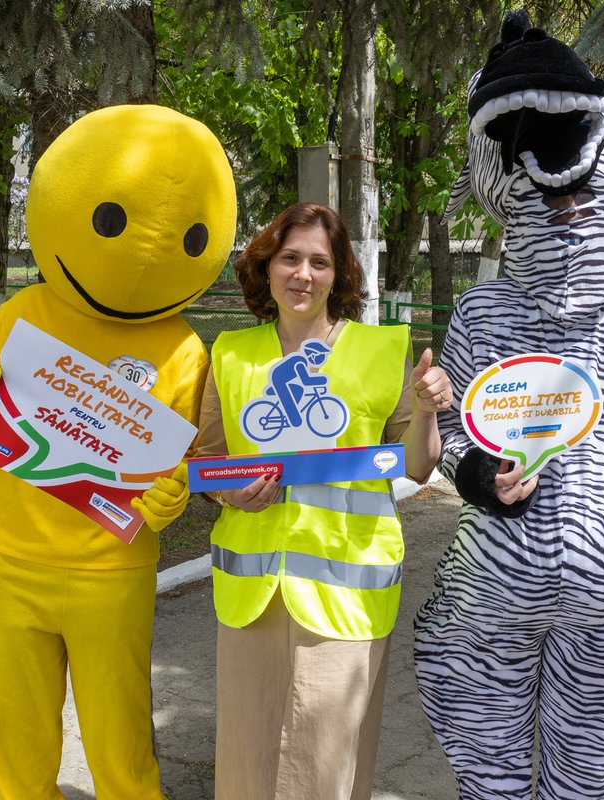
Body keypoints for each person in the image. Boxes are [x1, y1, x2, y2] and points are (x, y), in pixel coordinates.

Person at [413, 12, 604, 800]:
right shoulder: (483, 315)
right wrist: (476, 474)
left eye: (582, 195)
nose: (564, 208)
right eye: (541, 199)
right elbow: (450, 430)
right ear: (504, 195)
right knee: (489, 771)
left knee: (589, 779)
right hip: (492, 595)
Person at [0, 105, 237, 799]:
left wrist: (174, 494)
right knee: (15, 727)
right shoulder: (25, 313)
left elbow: (179, 459)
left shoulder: (186, 349)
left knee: (119, 731)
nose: (142, 255)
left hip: (114, 569)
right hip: (13, 558)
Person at [193, 201, 453, 800]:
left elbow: (417, 463)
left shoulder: (381, 351)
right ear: (267, 267)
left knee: (326, 760)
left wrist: (427, 407)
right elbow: (205, 461)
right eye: (290, 258)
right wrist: (227, 489)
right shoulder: (231, 353)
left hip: (346, 591)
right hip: (252, 591)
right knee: (247, 754)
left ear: (339, 276)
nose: (302, 274)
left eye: (319, 261)